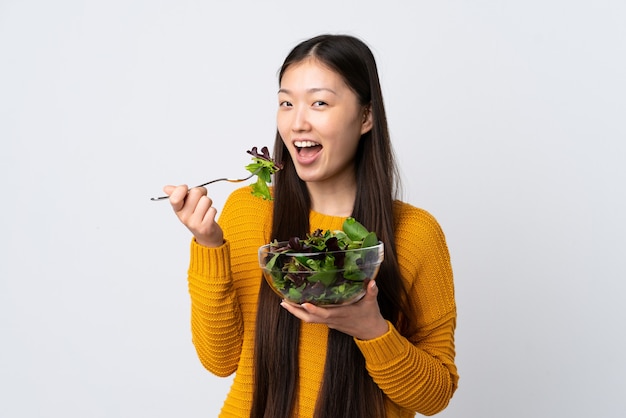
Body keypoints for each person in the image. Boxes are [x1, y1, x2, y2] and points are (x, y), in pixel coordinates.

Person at [163, 34, 458, 418]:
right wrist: (209, 245)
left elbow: (434, 397)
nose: (298, 121)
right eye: (286, 103)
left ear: (366, 116)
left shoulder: (415, 233)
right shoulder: (249, 210)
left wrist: (371, 329)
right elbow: (219, 360)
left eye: (319, 103)